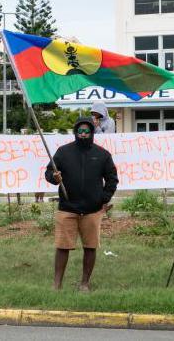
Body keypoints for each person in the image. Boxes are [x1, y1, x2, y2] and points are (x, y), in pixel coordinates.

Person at [45, 117, 118, 291]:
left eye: (86, 131)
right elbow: (49, 172)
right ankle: (57, 284)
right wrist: (54, 178)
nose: (83, 134)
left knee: (90, 247)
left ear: (92, 133)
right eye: (80, 131)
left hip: (92, 210)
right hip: (67, 208)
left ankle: (84, 283)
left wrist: (103, 198)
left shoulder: (103, 154)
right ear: (75, 132)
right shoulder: (63, 152)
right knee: (62, 247)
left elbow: (112, 179)